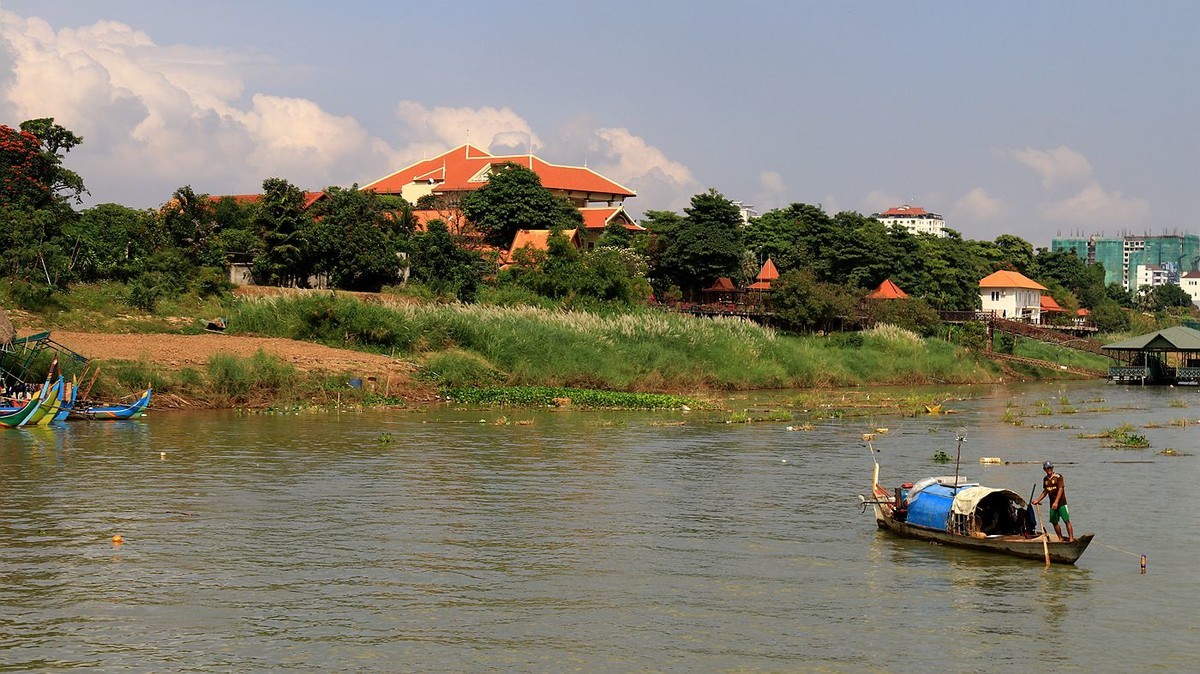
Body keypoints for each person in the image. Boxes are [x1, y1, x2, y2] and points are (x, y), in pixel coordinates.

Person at [1032, 461, 1074, 542]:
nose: (1049, 470)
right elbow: (1045, 491)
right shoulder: (1045, 479)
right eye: (1047, 468)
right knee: (1054, 521)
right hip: (1052, 504)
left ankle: (1071, 539)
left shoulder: (1058, 477)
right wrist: (1038, 500)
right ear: (1044, 469)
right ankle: (1060, 538)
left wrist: (1056, 502)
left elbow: (1061, 489)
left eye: (1050, 468)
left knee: (1066, 520)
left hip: (1061, 503)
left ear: (1052, 468)